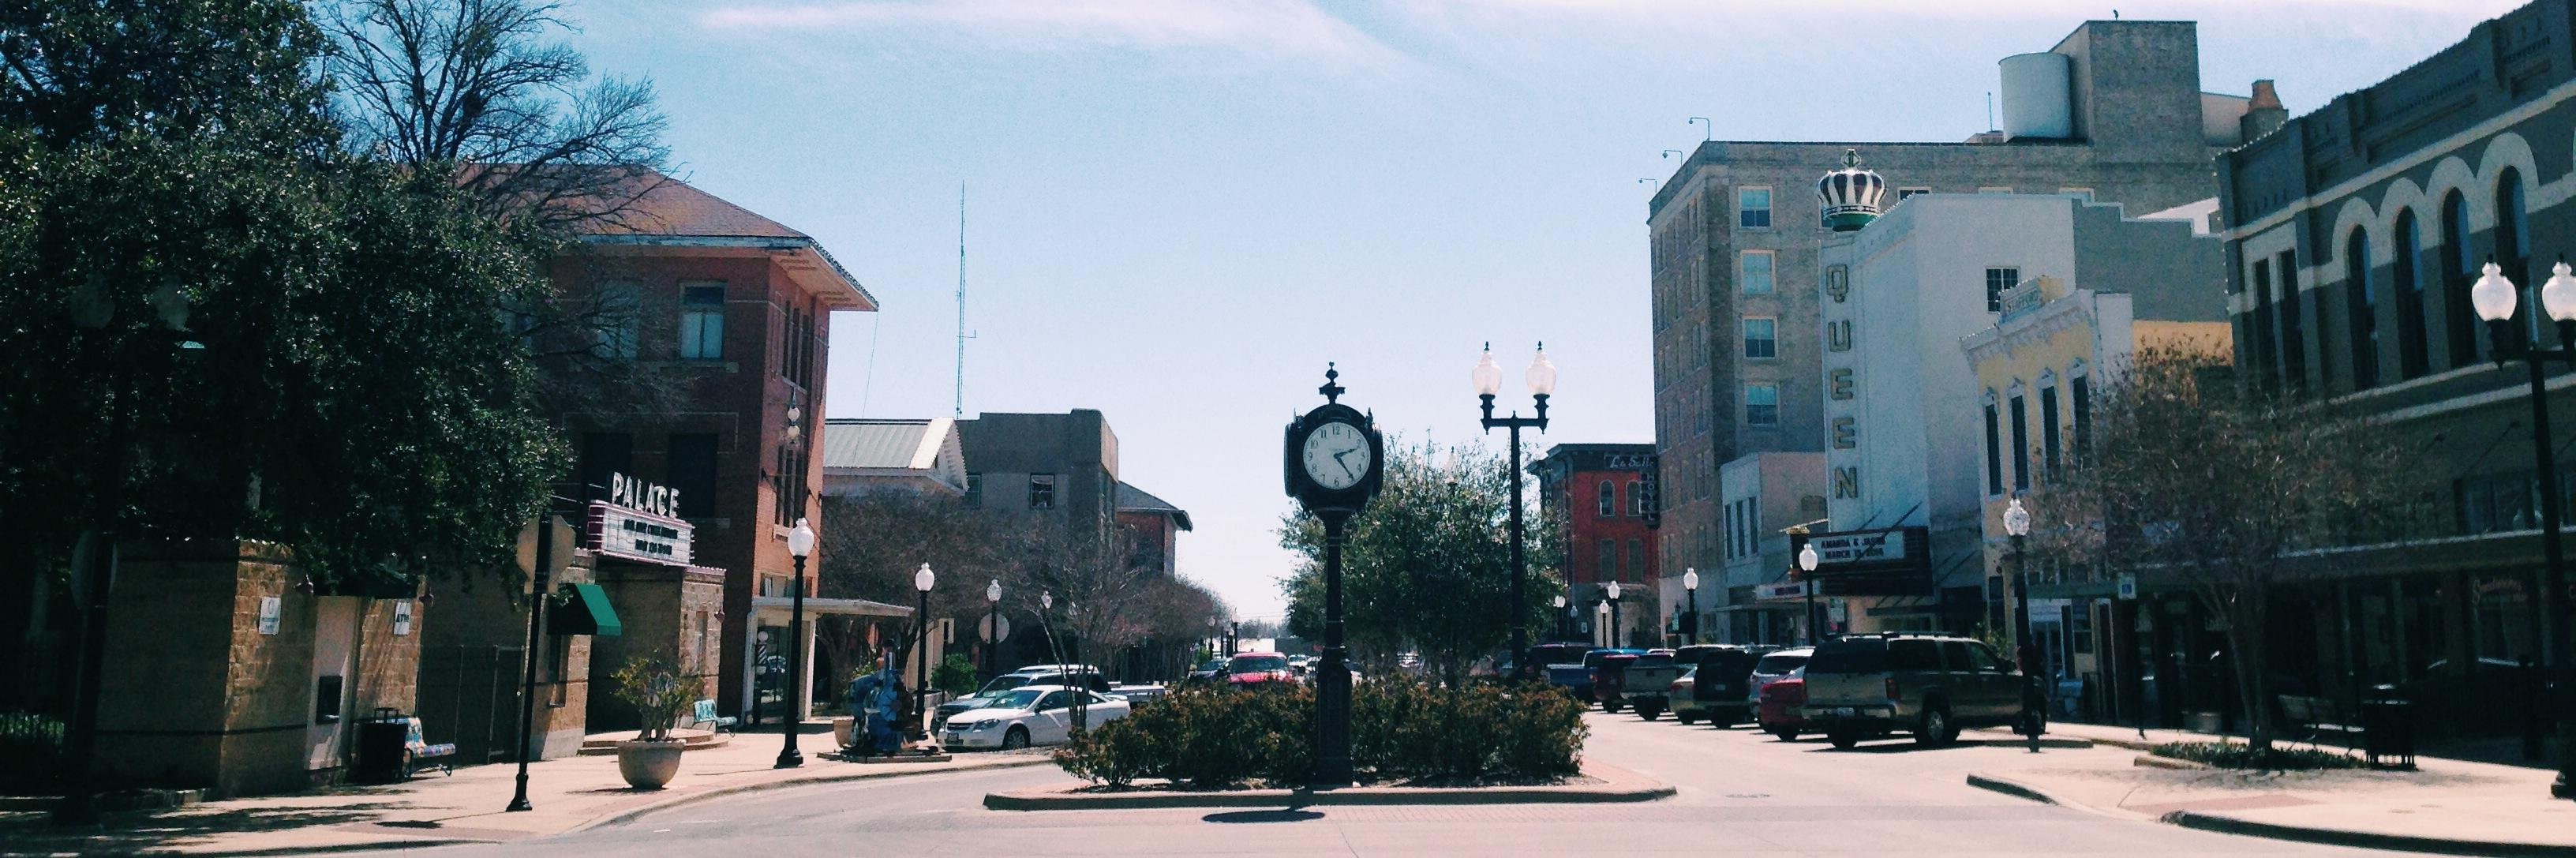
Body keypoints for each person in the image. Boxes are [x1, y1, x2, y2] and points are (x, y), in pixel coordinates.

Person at [847, 660, 907, 756]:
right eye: (882, 668)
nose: (882, 671)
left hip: (876, 711)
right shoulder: (873, 682)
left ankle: (873, 743)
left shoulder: (870, 681)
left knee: (869, 724)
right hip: (877, 711)